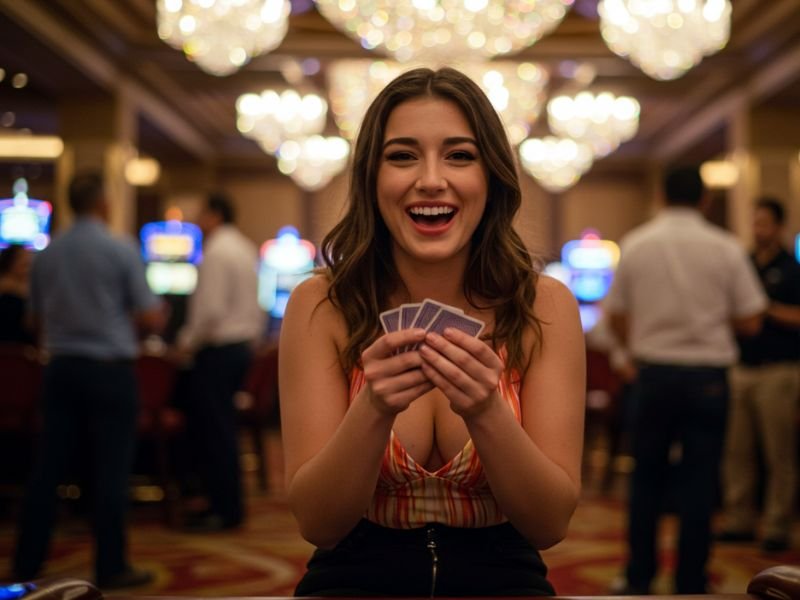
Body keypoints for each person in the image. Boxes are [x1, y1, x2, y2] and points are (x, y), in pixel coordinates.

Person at [279, 67, 586, 596]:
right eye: (402, 155)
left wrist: (488, 411)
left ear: (490, 176)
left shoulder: (545, 305)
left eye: (459, 155)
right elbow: (318, 524)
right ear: (371, 178)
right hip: (351, 579)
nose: (430, 179)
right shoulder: (321, 304)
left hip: (505, 579)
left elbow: (549, 525)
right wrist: (373, 407)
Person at [604, 165, 768, 594]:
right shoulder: (727, 247)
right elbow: (752, 320)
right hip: (708, 377)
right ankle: (691, 581)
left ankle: (638, 576)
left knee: (646, 479)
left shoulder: (637, 244)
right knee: (700, 480)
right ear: (705, 199)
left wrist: (635, 347)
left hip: (652, 373)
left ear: (660, 195)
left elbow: (616, 314)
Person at [12, 171, 166, 589]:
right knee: (111, 471)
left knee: (47, 468)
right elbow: (150, 314)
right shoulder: (120, 249)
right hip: (109, 371)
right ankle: (111, 566)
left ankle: (27, 562)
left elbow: (32, 320)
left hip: (60, 369)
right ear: (104, 203)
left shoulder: (47, 254)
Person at [176, 192, 265, 531]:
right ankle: (225, 505)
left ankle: (222, 510)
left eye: (200, 212)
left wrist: (185, 344)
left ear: (214, 213)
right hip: (240, 348)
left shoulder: (215, 251)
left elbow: (209, 312)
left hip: (218, 351)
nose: (197, 220)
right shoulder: (243, 247)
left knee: (215, 433)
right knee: (223, 430)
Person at [718, 197, 800, 553]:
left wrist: (765, 309)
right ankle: (740, 519)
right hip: (742, 368)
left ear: (779, 227)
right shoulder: (744, 265)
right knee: (737, 450)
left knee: (778, 452)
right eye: (755, 223)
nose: (758, 229)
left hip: (778, 371)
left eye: (764, 223)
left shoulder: (793, 269)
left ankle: (778, 524)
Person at [0, 243, 36, 345]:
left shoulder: (29, 288)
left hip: (24, 349)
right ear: (10, 263)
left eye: (29, 264)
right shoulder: (6, 287)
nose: (28, 269)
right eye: (24, 264)